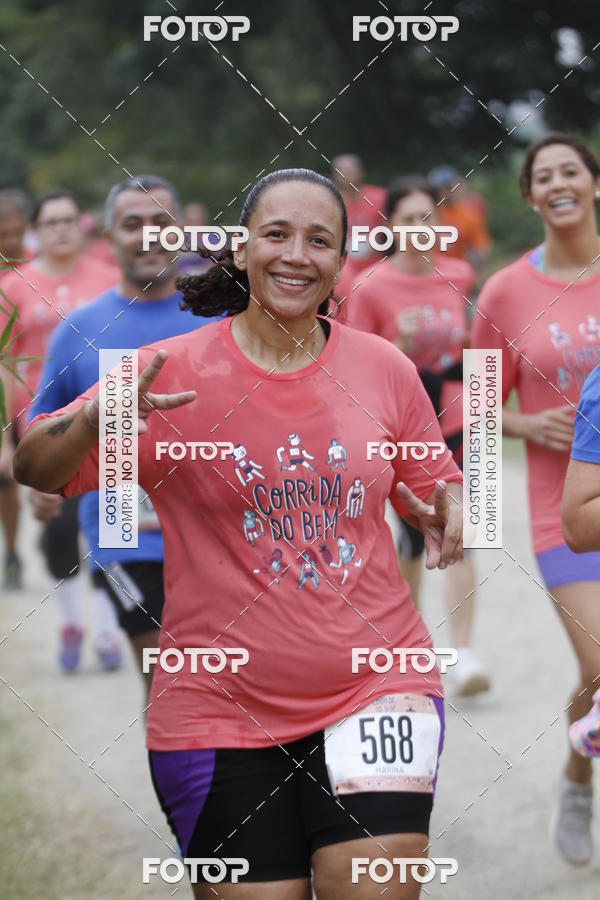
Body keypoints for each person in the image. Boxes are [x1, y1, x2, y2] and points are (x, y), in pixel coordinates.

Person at [15, 168, 464, 899]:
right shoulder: (168, 377)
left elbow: (437, 486)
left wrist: (450, 510)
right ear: (241, 249)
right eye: (277, 233)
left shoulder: (382, 369)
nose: (297, 254)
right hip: (215, 709)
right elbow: (37, 466)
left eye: (320, 239)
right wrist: (97, 418)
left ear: (341, 261)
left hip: (379, 686)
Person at [28, 175, 220, 696]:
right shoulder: (80, 329)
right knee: (167, 684)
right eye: (132, 224)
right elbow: (40, 429)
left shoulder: (222, 317)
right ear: (109, 237)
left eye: (161, 222)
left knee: (234, 687)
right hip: (121, 535)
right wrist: (44, 484)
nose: (148, 235)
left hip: (219, 530)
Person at [471, 133, 600, 865]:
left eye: (570, 171)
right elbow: (473, 397)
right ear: (529, 197)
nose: (557, 183)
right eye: (542, 176)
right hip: (564, 515)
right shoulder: (505, 291)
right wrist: (524, 421)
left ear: (594, 185)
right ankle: (579, 776)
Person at [348, 176, 490, 697]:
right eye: (408, 220)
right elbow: (354, 365)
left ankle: (466, 653)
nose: (419, 229)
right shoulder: (370, 287)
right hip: (400, 429)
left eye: (427, 218)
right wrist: (397, 342)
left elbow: (476, 345)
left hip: (454, 421)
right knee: (413, 540)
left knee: (464, 533)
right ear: (391, 229)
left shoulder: (460, 274)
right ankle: (411, 645)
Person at [0, 188, 121, 669]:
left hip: (109, 426)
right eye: (51, 222)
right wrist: (7, 441)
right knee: (57, 533)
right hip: (43, 430)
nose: (62, 229)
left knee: (115, 531)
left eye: (69, 219)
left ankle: (112, 631)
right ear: (37, 231)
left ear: (83, 225)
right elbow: (4, 366)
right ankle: (72, 621)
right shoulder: (13, 287)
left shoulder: (111, 280)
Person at [562, 365, 600, 758]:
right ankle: (578, 772)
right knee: (596, 663)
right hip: (559, 504)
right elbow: (477, 400)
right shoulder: (502, 299)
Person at [0, 188, 33, 588]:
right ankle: (12, 551)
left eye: (15, 232)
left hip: (29, 388)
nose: (9, 241)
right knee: (4, 479)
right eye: (1, 233)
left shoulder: (37, 275)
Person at [331, 154, 387, 301]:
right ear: (335, 175)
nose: (347, 175)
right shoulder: (331, 203)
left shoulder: (380, 198)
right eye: (342, 171)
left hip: (377, 271)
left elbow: (394, 231)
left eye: (351, 170)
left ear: (361, 172)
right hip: (344, 276)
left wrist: (376, 244)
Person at [428, 166, 491, 271]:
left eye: (447, 188)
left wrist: (470, 271)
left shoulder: (469, 215)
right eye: (438, 189)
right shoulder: (424, 215)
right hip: (431, 275)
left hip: (459, 274)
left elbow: (481, 248)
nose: (443, 193)